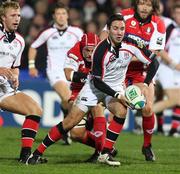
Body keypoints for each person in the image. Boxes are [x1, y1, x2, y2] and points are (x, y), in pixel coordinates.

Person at [26, 14, 159, 166]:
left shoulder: (132, 43)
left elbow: (154, 63)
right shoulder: (100, 51)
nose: (119, 32)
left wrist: (145, 83)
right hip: (94, 87)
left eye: (122, 28)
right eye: (115, 28)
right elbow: (96, 81)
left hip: (115, 85)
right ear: (108, 30)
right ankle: (37, 153)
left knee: (121, 111)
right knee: (70, 122)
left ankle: (105, 153)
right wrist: (118, 95)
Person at [99, 0, 172, 161]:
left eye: (148, 4)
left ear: (153, 6)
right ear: (136, 4)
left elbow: (154, 55)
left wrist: (126, 56)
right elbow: (105, 34)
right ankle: (106, 148)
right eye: (141, 3)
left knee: (147, 109)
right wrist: (106, 53)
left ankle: (147, 146)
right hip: (117, 69)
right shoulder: (123, 16)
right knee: (117, 108)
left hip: (142, 71)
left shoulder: (158, 24)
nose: (144, 7)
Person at [28, 2, 83, 144]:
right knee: (68, 96)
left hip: (72, 71)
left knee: (67, 101)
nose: (61, 16)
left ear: (68, 15)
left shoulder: (76, 32)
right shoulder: (47, 32)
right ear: (54, 16)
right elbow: (33, 47)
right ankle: (69, 129)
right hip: (55, 72)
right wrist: (31, 65)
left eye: (63, 13)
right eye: (58, 14)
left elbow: (87, 48)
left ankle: (64, 127)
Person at [0, 1, 43, 163]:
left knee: (35, 109)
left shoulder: (20, 41)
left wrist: (15, 76)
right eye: (13, 15)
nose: (17, 19)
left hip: (3, 89)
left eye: (18, 15)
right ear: (3, 17)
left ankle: (25, 156)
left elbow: (15, 67)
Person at [154, 3, 180, 136]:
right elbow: (160, 49)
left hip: (176, 70)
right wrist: (174, 64)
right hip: (167, 69)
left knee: (175, 99)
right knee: (175, 99)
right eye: (176, 13)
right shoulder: (170, 28)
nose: (178, 16)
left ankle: (174, 129)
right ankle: (148, 112)